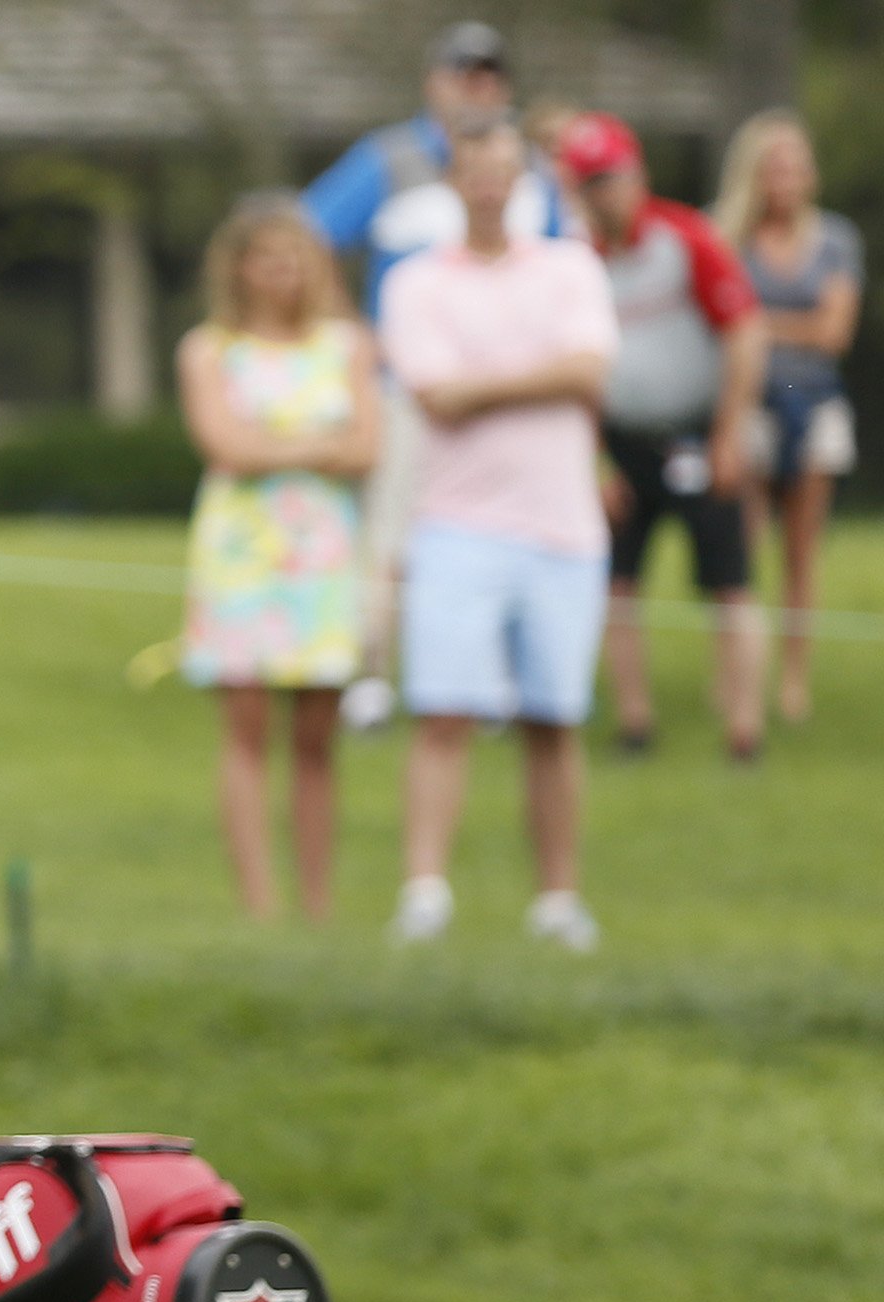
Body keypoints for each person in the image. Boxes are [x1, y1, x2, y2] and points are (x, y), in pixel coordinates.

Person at [379, 121, 619, 952]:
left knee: (553, 719)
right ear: (453, 182)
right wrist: (538, 377)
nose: (490, 187)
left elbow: (588, 371)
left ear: (526, 183)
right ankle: (424, 894)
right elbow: (435, 396)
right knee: (443, 712)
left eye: (505, 174)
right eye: (475, 173)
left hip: (563, 527)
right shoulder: (416, 283)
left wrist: (486, 385)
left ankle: (557, 901)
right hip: (458, 526)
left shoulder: (570, 268)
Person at [302, 22, 566, 731]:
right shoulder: (388, 159)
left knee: (502, 531)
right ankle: (372, 676)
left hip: (514, 392)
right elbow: (308, 236)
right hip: (410, 387)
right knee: (392, 533)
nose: (475, 86)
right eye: (462, 72)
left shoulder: (536, 169)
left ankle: (494, 680)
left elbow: (564, 265)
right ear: (434, 81)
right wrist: (355, 333)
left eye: (488, 74)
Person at [177, 195, 377, 923]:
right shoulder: (209, 349)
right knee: (247, 724)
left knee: (318, 731)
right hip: (242, 556)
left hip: (321, 554)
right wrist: (317, 445)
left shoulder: (348, 344)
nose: (281, 274)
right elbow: (227, 447)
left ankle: (317, 904)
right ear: (238, 269)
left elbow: (366, 448)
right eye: (266, 259)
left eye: (294, 259)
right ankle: (260, 904)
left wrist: (275, 448)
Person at [559, 111, 770, 761]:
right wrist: (591, 463)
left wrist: (730, 434)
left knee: (728, 585)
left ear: (637, 172)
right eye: (589, 181)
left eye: (611, 177)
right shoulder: (575, 262)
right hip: (623, 443)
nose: (604, 193)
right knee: (617, 585)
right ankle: (635, 723)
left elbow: (744, 334)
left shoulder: (687, 239)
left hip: (701, 435)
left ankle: (743, 730)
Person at [713, 109, 863, 725]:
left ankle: (794, 680)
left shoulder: (834, 239)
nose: (787, 176)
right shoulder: (725, 236)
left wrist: (755, 325)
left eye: (796, 164)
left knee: (801, 551)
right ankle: (739, 678)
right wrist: (765, 331)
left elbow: (834, 333)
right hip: (748, 405)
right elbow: (718, 323)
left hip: (815, 402)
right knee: (740, 550)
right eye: (775, 164)